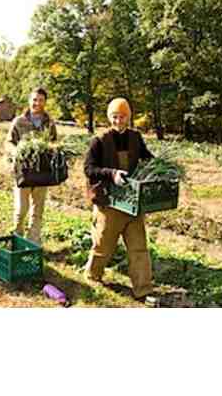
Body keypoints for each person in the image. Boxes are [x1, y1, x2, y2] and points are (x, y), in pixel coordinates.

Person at [83, 97, 157, 302]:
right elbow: (89, 169)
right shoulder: (99, 140)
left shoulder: (135, 137)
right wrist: (112, 174)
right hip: (109, 202)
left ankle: (143, 289)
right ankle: (93, 275)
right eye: (115, 116)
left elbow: (147, 159)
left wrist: (161, 168)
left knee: (139, 247)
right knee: (103, 245)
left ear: (129, 117)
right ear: (109, 117)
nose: (119, 120)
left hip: (132, 201)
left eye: (123, 116)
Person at [4, 87, 58, 247]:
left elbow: (54, 142)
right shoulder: (19, 121)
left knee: (38, 211)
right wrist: (16, 151)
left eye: (41, 100)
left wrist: (52, 149)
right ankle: (17, 238)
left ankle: (32, 243)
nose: (37, 103)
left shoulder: (50, 123)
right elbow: (8, 142)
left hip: (42, 173)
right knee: (21, 210)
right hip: (23, 172)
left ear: (45, 102)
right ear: (29, 101)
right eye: (34, 99)